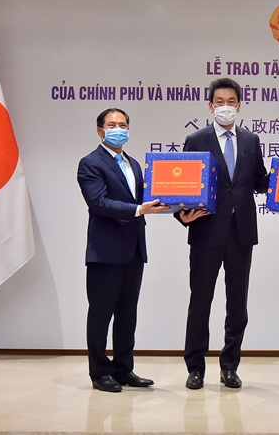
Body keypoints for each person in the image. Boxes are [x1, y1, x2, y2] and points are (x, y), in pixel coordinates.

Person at [176, 78, 269, 389]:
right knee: (200, 301)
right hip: (206, 232)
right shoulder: (196, 139)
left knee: (237, 304)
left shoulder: (251, 140)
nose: (225, 107)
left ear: (239, 105)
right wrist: (181, 215)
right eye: (220, 102)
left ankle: (229, 366)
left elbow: (259, 180)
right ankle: (195, 368)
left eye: (231, 101)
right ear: (210, 106)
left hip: (241, 233)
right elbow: (183, 185)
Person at [77, 108, 170, 392]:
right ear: (100, 131)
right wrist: (139, 210)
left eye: (123, 125)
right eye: (112, 125)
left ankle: (123, 369)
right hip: (105, 251)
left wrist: (179, 203)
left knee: (128, 313)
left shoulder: (134, 164)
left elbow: (146, 199)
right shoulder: (90, 163)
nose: (119, 129)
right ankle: (99, 372)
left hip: (134, 250)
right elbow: (98, 203)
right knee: (101, 313)